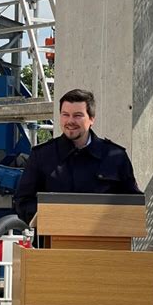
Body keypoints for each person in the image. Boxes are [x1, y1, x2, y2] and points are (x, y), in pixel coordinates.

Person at [14, 88, 141, 223]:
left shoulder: (115, 157)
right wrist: (56, 219)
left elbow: (134, 203)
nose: (70, 121)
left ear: (92, 119)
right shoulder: (42, 156)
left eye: (77, 115)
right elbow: (23, 201)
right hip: (53, 240)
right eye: (65, 114)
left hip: (104, 240)